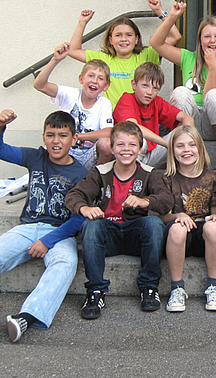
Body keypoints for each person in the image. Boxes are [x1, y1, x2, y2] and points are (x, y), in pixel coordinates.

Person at [0, 110, 88, 343]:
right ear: (43, 137)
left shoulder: (81, 173)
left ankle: (28, 316)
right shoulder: (35, 158)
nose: (56, 141)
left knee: (66, 262)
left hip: (60, 233)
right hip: (28, 228)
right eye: (50, 135)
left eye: (63, 135)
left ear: (74, 139)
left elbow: (79, 218)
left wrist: (47, 242)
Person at [65, 121, 173, 320]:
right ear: (112, 148)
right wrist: (85, 208)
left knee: (153, 224)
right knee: (90, 224)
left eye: (132, 145)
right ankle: (95, 292)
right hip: (108, 234)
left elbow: (167, 200)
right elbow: (74, 195)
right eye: (121, 145)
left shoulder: (149, 173)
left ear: (140, 149)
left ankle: (149, 287)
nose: (126, 149)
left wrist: (145, 201)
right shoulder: (101, 172)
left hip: (135, 236)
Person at [149, 1, 216, 140]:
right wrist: (172, 17)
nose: (212, 41)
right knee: (180, 92)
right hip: (189, 121)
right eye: (207, 37)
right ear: (200, 40)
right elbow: (156, 43)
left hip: (213, 126)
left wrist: (214, 67)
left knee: (215, 95)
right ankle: (183, 140)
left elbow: (209, 99)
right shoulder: (188, 58)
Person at [162, 125, 216, 312]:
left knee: (213, 227)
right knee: (177, 228)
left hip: (204, 238)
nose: (186, 150)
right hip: (178, 238)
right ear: (173, 151)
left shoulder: (212, 178)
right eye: (180, 146)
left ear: (200, 147)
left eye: (191, 145)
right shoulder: (167, 179)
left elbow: (215, 207)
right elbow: (164, 216)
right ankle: (177, 288)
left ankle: (213, 286)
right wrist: (178, 215)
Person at [34, 42, 113, 169]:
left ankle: (96, 182)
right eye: (91, 76)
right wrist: (55, 60)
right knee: (42, 152)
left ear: (106, 86)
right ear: (81, 79)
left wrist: (76, 137)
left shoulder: (104, 103)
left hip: (88, 156)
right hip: (65, 152)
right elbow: (39, 85)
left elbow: (108, 132)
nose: (94, 81)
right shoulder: (70, 94)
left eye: (100, 78)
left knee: (106, 144)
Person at [67, 9, 161, 107]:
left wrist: (161, 13)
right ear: (111, 40)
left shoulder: (146, 55)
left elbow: (173, 38)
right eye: (118, 35)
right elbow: (73, 51)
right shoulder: (103, 58)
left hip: (140, 116)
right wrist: (82, 23)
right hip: (112, 117)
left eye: (129, 35)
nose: (124, 39)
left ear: (136, 39)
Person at [112, 62, 194, 167]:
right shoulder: (127, 99)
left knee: (180, 135)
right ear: (134, 84)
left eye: (155, 88)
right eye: (145, 86)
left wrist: (187, 141)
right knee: (138, 138)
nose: (150, 92)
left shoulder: (157, 101)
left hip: (152, 154)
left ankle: (188, 173)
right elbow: (133, 127)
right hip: (128, 154)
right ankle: (135, 173)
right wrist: (166, 144)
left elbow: (186, 117)